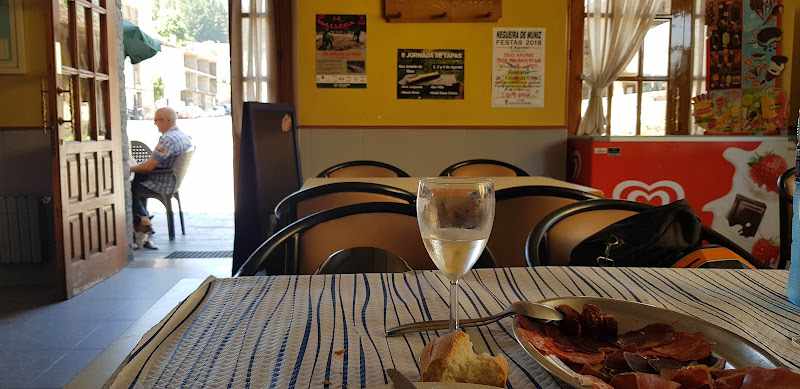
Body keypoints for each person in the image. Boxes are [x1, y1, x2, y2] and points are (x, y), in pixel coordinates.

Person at [130, 107, 193, 246]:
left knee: (129, 186)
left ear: (166, 121)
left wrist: (128, 168)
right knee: (137, 181)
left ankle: (143, 223)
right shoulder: (183, 136)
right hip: (173, 180)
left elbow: (148, 167)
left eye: (156, 120)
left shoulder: (167, 139)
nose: (154, 123)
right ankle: (143, 222)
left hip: (161, 181)